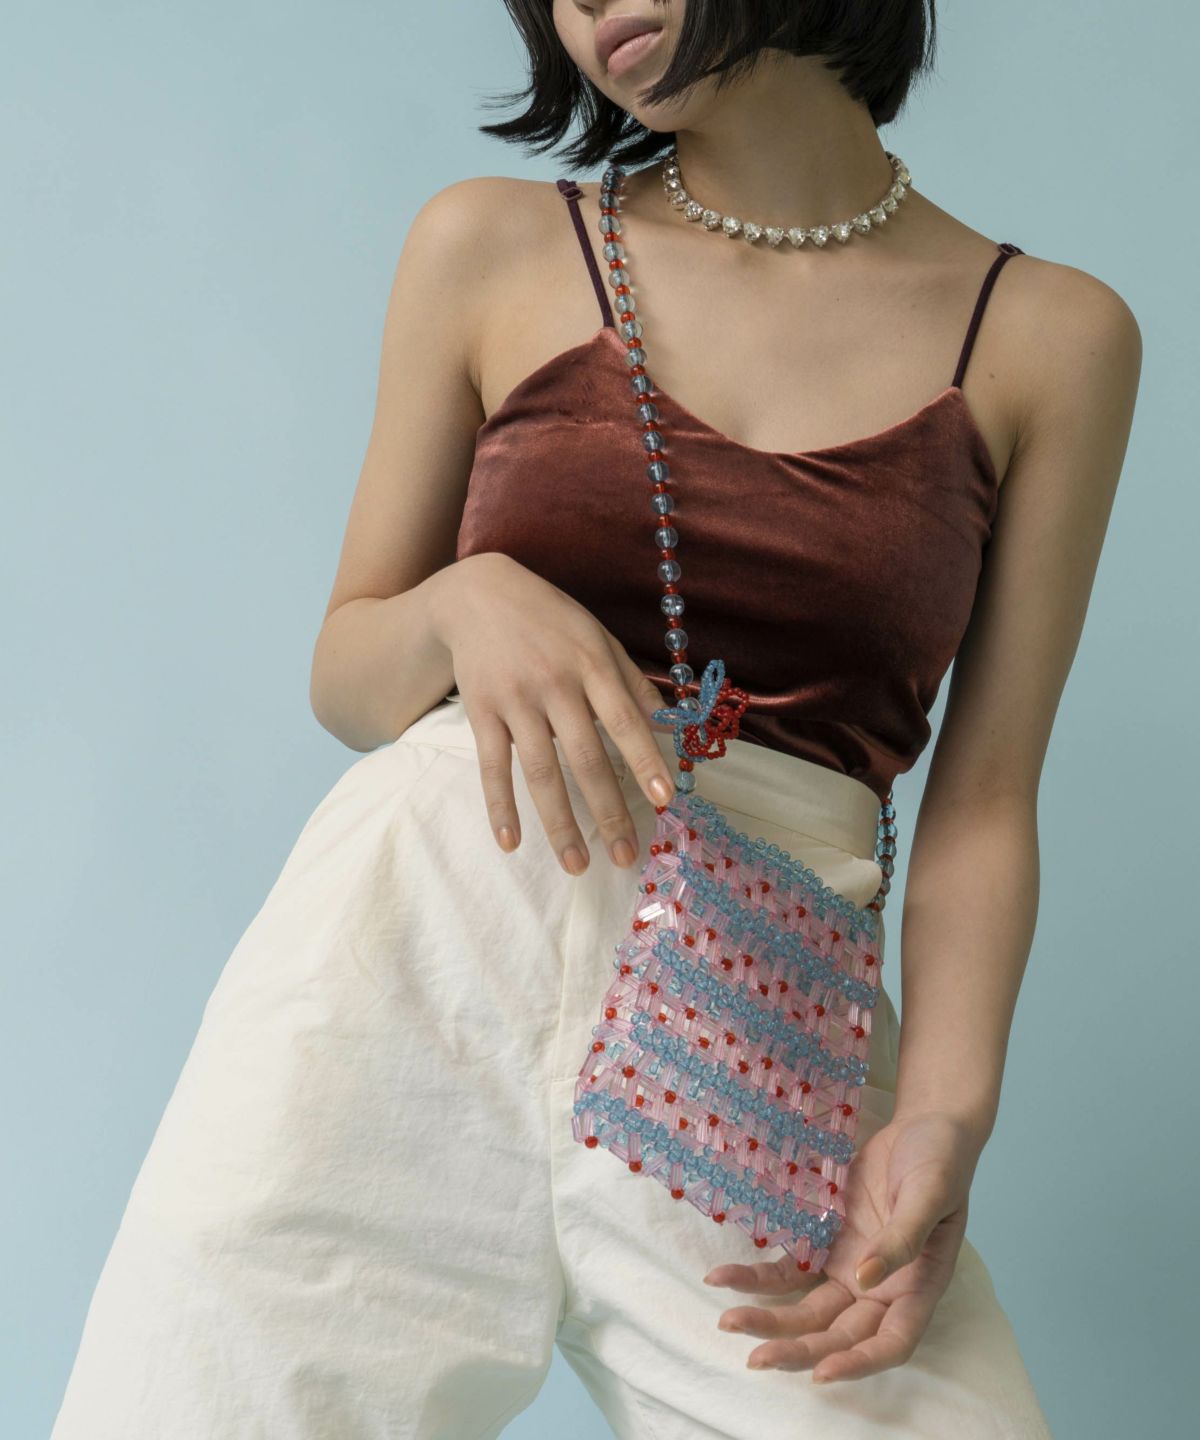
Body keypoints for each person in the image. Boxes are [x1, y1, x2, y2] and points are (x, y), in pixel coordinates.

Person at [51, 2, 1140, 1437]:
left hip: (755, 1006)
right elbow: (348, 669)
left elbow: (986, 798)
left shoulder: (1053, 336)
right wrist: (466, 604)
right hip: (419, 945)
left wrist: (944, 1109)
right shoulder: (490, 245)